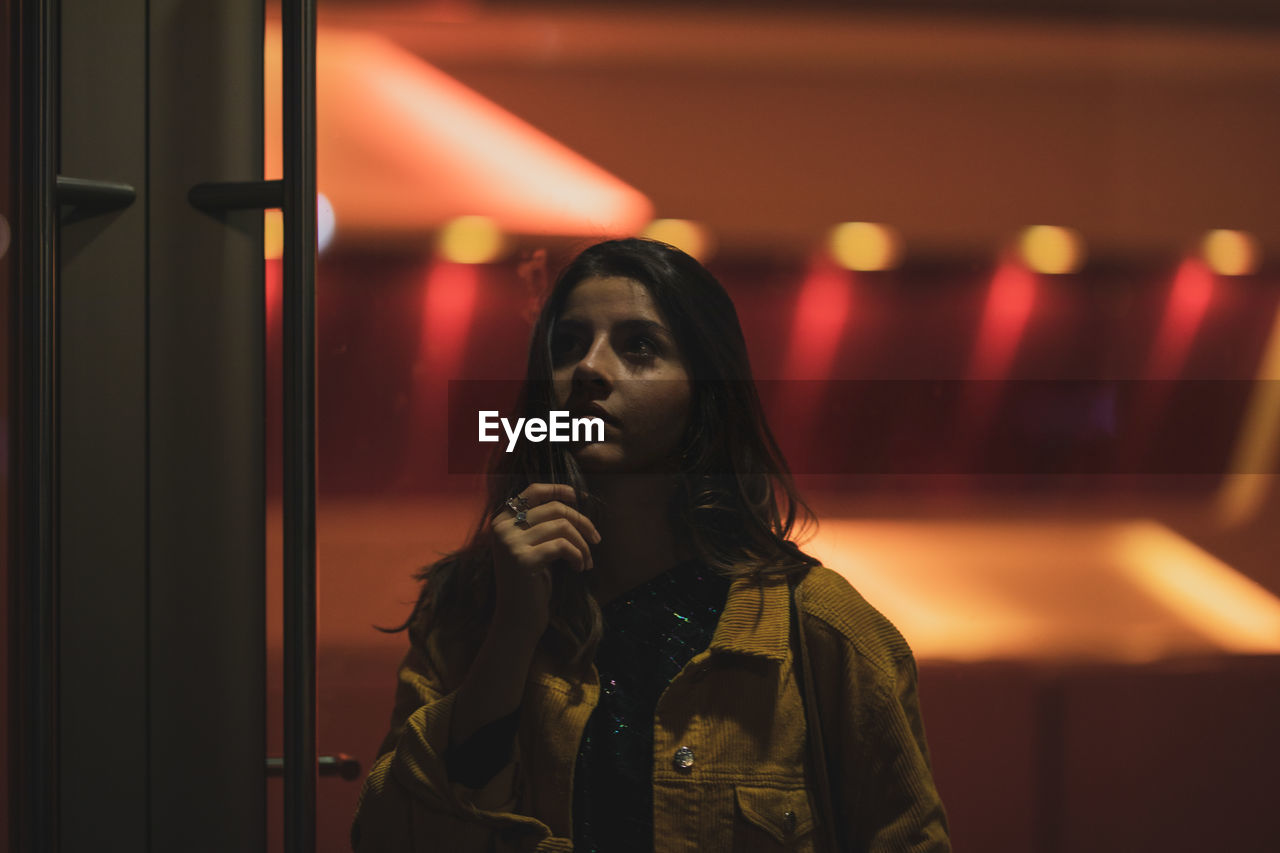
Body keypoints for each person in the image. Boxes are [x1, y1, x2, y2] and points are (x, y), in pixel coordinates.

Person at [351, 238, 950, 852]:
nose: (589, 369)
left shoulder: (819, 631)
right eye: (569, 344)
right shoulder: (468, 611)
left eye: (639, 346)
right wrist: (510, 637)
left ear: (705, 389)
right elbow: (388, 838)